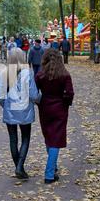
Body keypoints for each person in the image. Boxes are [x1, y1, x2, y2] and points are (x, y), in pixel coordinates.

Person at [0, 47, 40, 180]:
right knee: (25, 138)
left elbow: (0, 95)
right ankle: (20, 167)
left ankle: (18, 167)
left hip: (10, 109)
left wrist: (7, 106)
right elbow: (33, 94)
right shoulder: (28, 72)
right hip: (25, 109)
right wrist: (39, 99)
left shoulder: (4, 73)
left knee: (13, 139)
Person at [35, 50, 74, 184]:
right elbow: (69, 94)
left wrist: (39, 101)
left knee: (49, 137)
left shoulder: (40, 75)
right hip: (60, 109)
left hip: (45, 108)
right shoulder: (65, 75)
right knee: (55, 140)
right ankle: (50, 173)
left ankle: (53, 166)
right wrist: (65, 103)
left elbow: (35, 92)